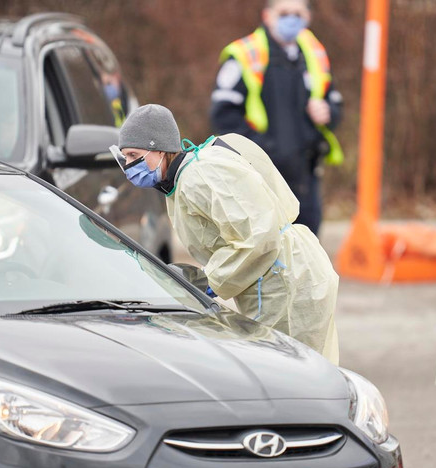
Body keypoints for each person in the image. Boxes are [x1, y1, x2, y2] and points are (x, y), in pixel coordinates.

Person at [111, 104, 340, 364]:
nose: (128, 165)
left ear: (160, 148)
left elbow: (258, 237)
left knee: (293, 373)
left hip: (284, 280)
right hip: (279, 274)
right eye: (124, 157)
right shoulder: (184, 178)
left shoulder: (200, 176)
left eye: (133, 155)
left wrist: (209, 281)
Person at [210, 0, 343, 236]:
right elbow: (223, 114)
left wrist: (328, 112)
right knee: (268, 246)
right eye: (284, 13)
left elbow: (333, 101)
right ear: (267, 16)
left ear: (308, 17)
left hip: (306, 175)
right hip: (262, 177)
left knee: (308, 245)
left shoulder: (314, 53)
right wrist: (262, 148)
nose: (291, 19)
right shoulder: (245, 54)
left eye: (297, 14)